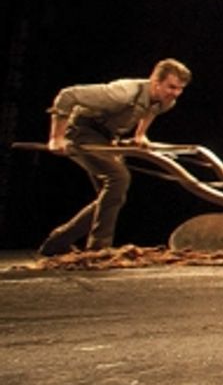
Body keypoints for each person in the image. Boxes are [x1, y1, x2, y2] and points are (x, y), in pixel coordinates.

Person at [38, 59, 192, 255]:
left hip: (107, 137)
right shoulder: (122, 93)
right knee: (118, 178)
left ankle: (57, 242)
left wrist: (140, 135)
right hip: (82, 131)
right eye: (171, 87)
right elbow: (67, 95)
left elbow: (151, 110)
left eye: (180, 89)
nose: (175, 93)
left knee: (111, 197)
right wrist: (56, 138)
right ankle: (98, 249)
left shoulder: (167, 101)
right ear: (155, 81)